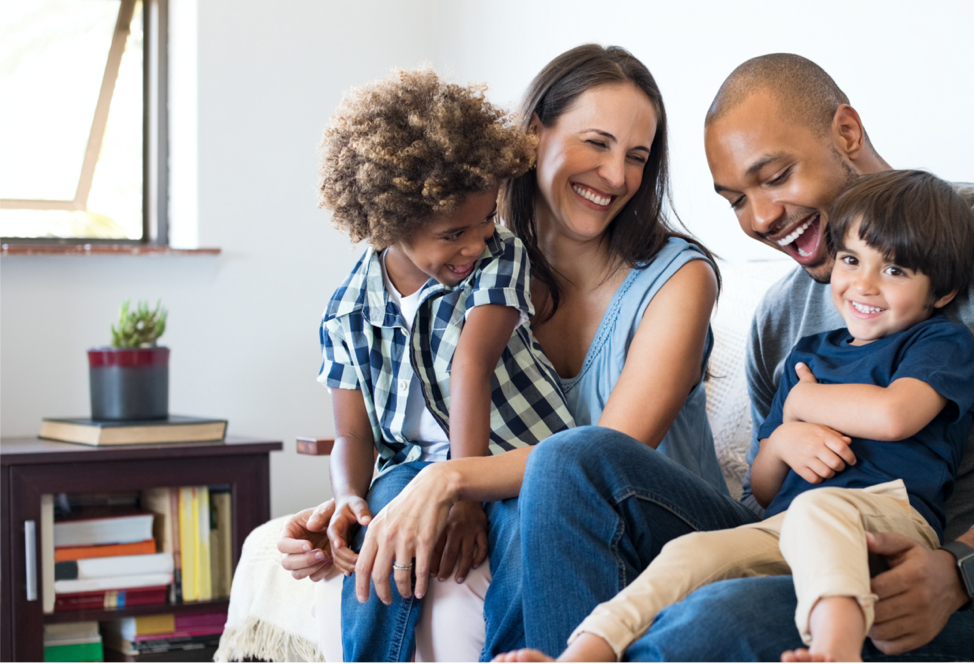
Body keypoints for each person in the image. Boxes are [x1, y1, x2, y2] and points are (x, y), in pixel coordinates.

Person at [511, 53, 974, 660]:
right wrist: (782, 446)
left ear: (846, 132)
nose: (760, 218)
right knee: (573, 460)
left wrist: (959, 571)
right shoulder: (782, 317)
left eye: (776, 176)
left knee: (712, 621)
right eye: (734, 200)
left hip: (944, 600)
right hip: (795, 553)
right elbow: (768, 496)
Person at [277, 44, 748, 660]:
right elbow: (411, 421)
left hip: (646, 529)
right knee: (398, 564)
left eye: (637, 157)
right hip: (528, 508)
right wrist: (360, 507)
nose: (617, 176)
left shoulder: (677, 279)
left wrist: (450, 481)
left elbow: (597, 464)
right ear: (532, 135)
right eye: (597, 143)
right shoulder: (469, 261)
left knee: (520, 524)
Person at [503, 169, 974, 663]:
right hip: (788, 525)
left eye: (895, 271)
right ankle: (580, 653)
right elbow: (765, 486)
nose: (864, 284)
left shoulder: (938, 342)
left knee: (823, 510)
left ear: (940, 293)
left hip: (888, 522)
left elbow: (894, 417)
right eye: (851, 260)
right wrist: (780, 445)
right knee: (690, 554)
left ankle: (837, 650)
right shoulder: (809, 355)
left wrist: (801, 406)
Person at [314, 68, 578, 661]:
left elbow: (471, 367)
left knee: (523, 532)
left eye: (487, 218)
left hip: (515, 459)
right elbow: (351, 431)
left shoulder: (498, 258)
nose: (477, 241)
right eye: (454, 231)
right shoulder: (346, 312)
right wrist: (347, 498)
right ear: (390, 224)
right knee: (381, 521)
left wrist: (464, 495)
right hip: (413, 468)